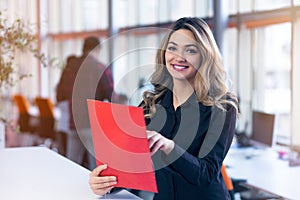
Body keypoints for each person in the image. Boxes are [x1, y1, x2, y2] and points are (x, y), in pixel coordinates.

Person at [89, 17, 238, 200]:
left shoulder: (222, 107)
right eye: (173, 48)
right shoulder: (153, 102)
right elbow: (130, 161)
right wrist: (106, 182)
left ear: (205, 57)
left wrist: (169, 147)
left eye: (190, 50)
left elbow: (207, 174)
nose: (178, 57)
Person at [56, 37, 114, 170]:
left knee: (72, 165)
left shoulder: (70, 67)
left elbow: (60, 94)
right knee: (96, 169)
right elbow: (111, 95)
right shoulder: (100, 67)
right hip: (92, 123)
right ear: (98, 49)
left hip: (74, 122)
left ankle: (68, 190)